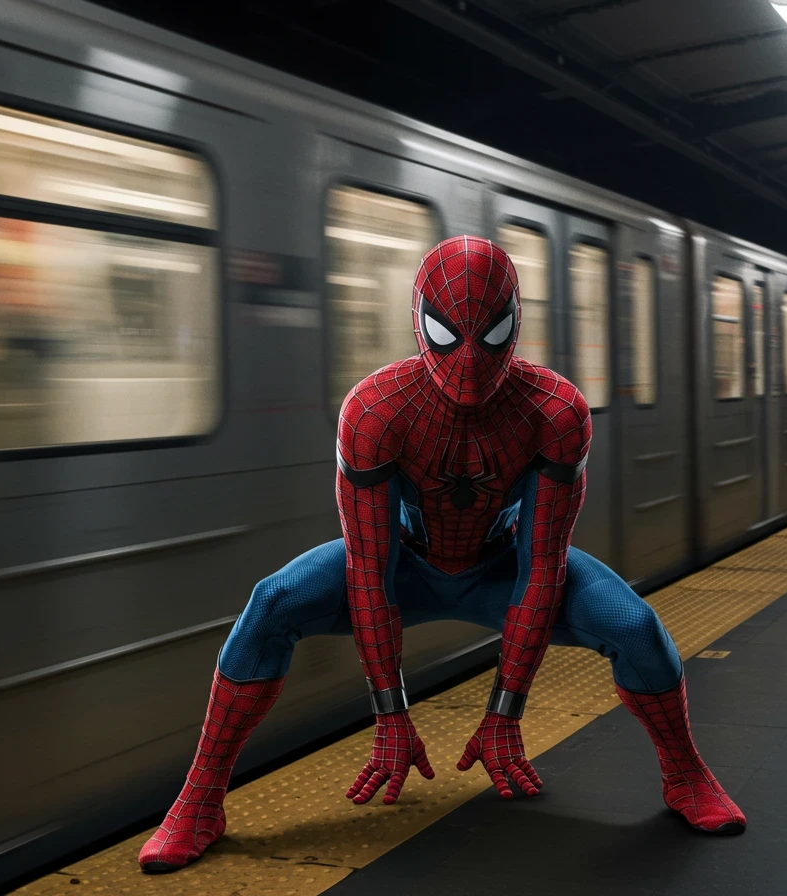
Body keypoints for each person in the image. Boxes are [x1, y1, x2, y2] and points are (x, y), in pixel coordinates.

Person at [139, 236, 745, 873]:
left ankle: (687, 776)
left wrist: (506, 711)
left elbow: (543, 566)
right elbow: (369, 572)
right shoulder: (375, 410)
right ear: (418, 321)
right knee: (270, 604)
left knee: (635, 626)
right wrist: (390, 714)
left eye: (491, 335)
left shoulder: (555, 411)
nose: (469, 363)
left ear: (516, 322)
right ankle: (199, 800)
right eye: (448, 333)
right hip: (406, 564)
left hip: (501, 564)